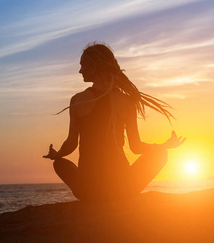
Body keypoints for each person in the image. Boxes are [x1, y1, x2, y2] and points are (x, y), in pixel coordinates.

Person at [43, 42, 186, 202]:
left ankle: (93, 197)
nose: (80, 70)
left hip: (88, 189)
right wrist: (164, 146)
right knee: (161, 155)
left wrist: (56, 155)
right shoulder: (126, 101)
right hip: (122, 188)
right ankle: (123, 196)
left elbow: (71, 144)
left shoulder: (78, 100)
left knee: (59, 164)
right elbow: (136, 147)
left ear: (95, 66)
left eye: (83, 65)